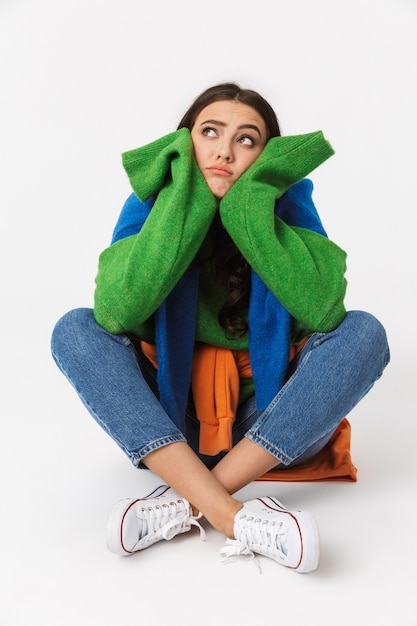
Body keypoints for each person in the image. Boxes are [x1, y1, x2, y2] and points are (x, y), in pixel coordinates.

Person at [51, 82, 390, 574]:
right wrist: (184, 207)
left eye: (247, 139)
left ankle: (187, 500)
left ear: (265, 155)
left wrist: (248, 209)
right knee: (75, 329)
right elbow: (117, 313)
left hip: (271, 425)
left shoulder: (285, 203)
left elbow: (324, 313)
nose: (225, 151)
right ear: (187, 142)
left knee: (365, 331)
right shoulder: (153, 204)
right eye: (210, 132)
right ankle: (231, 514)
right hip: (173, 422)